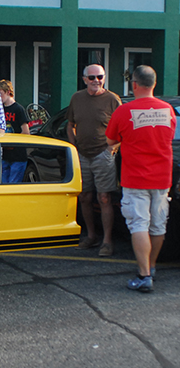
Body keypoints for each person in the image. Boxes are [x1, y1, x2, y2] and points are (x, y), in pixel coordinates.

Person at [105, 65, 176, 292]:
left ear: (134, 84)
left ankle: (144, 275)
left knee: (139, 226)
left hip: (135, 178)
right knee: (157, 226)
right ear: (154, 84)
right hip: (162, 178)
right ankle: (151, 267)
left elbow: (110, 141)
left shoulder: (125, 111)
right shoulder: (168, 110)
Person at [66, 64, 122, 256]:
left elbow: (122, 129)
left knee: (104, 198)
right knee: (84, 197)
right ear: (84, 79)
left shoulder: (113, 99)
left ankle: (107, 241)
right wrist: (73, 146)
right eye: (91, 77)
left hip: (103, 154)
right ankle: (91, 236)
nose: (96, 81)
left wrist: (110, 150)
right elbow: (70, 124)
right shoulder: (77, 98)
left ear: (104, 78)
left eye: (100, 77)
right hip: (82, 155)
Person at [0, 79, 30, 183]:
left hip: (18, 155)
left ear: (8, 92)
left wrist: (13, 143)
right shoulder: (0, 109)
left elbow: (26, 132)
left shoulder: (18, 109)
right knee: (3, 183)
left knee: (13, 183)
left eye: (0, 94)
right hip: (5, 155)